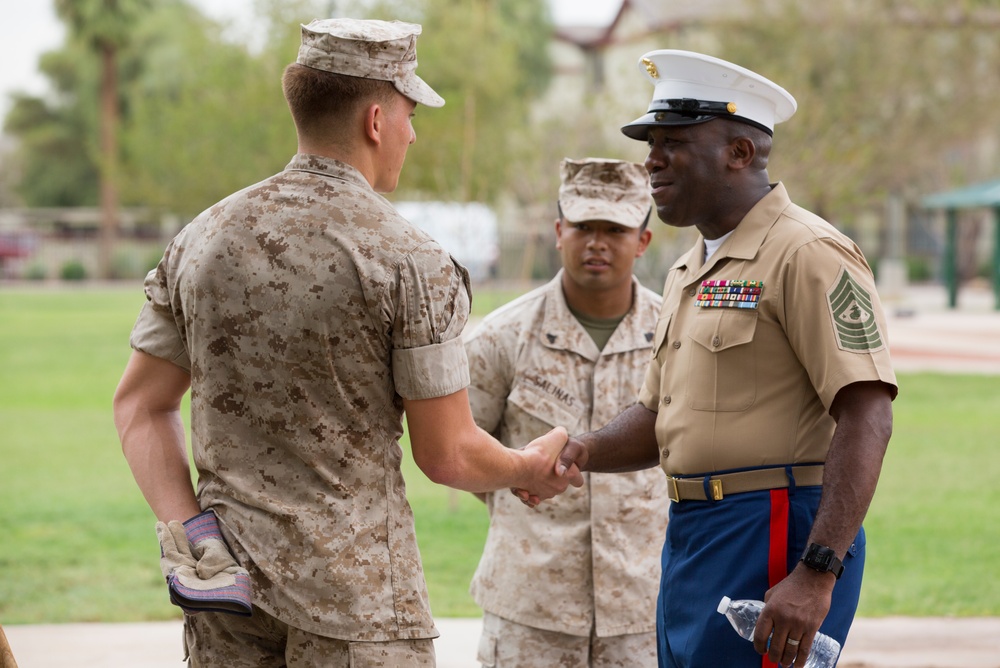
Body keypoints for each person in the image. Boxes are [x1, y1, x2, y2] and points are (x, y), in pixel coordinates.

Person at [112, 17, 580, 667]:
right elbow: (448, 455)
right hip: (359, 613)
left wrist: (193, 533)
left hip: (227, 604)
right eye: (411, 113)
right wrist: (528, 467)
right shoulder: (411, 260)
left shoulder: (202, 239)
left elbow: (139, 405)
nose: (413, 133)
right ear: (377, 120)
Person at [549, 50, 897, 668]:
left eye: (673, 141)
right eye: (651, 142)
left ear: (740, 152)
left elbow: (867, 413)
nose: (651, 159)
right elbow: (662, 416)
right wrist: (584, 450)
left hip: (773, 529)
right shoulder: (692, 267)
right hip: (694, 535)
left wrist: (817, 574)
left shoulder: (808, 252)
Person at [465, 158, 669, 668]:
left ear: (642, 240)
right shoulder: (504, 336)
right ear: (559, 232)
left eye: (615, 229)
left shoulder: (677, 333)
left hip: (645, 606)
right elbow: (462, 447)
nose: (596, 242)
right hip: (531, 611)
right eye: (583, 227)